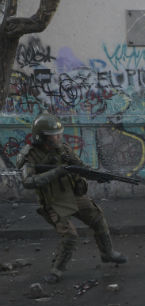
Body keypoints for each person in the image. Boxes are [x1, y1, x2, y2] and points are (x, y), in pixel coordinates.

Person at [17, 113, 127, 284]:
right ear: (42, 137)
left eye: (59, 133)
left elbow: (81, 167)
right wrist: (57, 171)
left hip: (73, 194)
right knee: (70, 235)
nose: (59, 137)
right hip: (54, 201)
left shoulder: (63, 149)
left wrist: (98, 175)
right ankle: (57, 270)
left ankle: (107, 253)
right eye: (55, 134)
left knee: (98, 218)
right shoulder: (30, 155)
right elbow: (28, 181)